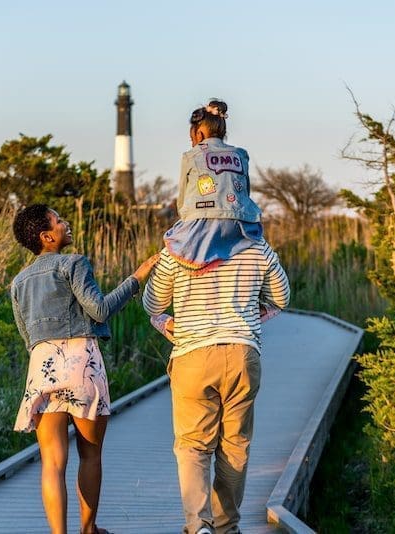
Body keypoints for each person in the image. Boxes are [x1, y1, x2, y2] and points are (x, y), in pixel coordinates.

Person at [143, 113, 291, 534]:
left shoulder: (177, 249)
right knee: (235, 447)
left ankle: (199, 526)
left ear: (194, 141)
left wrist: (162, 322)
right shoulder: (254, 244)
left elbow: (153, 301)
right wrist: (259, 313)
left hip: (192, 355)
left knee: (192, 446)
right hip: (243, 353)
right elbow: (282, 296)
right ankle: (227, 526)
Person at [10, 204, 158, 534]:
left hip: (43, 368)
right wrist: (136, 278)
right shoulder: (74, 263)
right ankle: (88, 530)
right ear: (48, 236)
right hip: (81, 365)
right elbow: (100, 310)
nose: (66, 223)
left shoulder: (18, 282)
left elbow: (27, 337)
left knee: (52, 462)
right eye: (59, 220)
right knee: (90, 456)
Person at [149, 100, 279, 344]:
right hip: (241, 222)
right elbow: (245, 193)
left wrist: (187, 221)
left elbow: (183, 199)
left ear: (198, 133)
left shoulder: (191, 155)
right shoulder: (241, 155)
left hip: (199, 220)